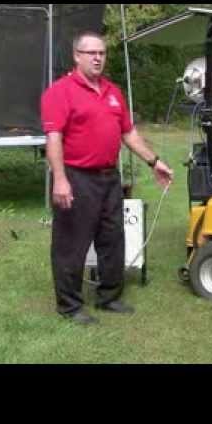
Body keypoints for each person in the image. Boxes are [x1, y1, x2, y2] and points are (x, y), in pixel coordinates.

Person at [41, 30, 173, 325]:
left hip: (109, 178)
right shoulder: (60, 91)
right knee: (71, 245)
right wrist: (60, 179)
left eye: (102, 53)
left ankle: (109, 298)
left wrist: (154, 162)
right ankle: (70, 306)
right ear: (77, 56)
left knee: (113, 239)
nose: (98, 58)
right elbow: (53, 138)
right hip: (76, 177)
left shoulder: (113, 91)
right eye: (91, 53)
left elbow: (129, 133)